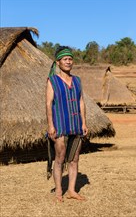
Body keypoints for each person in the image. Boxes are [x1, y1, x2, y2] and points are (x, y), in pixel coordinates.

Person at [46, 46, 88, 202]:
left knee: (75, 158)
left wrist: (84, 122)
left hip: (76, 123)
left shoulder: (77, 80)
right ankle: (58, 191)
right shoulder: (53, 81)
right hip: (60, 123)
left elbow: (81, 101)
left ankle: (71, 190)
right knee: (60, 157)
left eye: (70, 59)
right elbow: (48, 104)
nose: (68, 62)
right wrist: (50, 125)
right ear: (58, 62)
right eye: (65, 59)